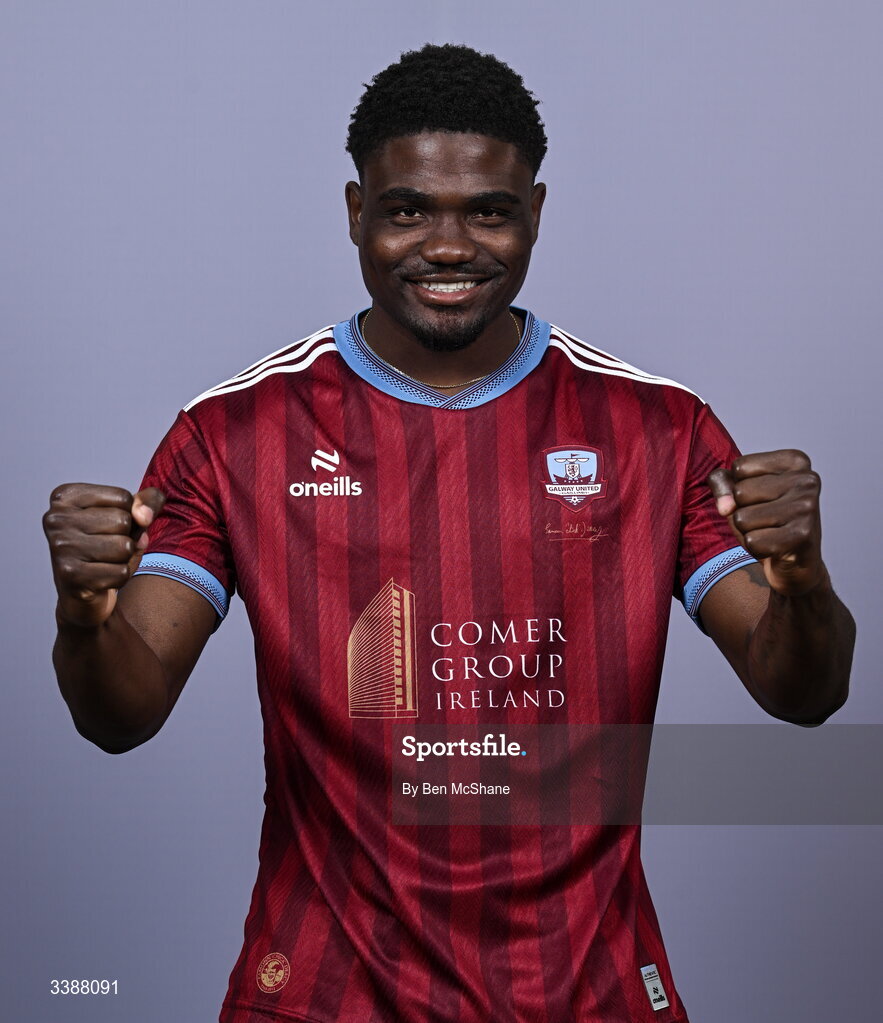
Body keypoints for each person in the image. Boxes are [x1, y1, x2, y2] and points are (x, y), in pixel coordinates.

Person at [42, 43, 855, 1023]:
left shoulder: (656, 430)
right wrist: (85, 614)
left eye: (488, 211)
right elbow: (119, 718)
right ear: (355, 214)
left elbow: (799, 695)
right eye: (407, 210)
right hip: (322, 995)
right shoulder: (235, 434)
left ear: (536, 216)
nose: (449, 245)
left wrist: (803, 580)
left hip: (589, 993)